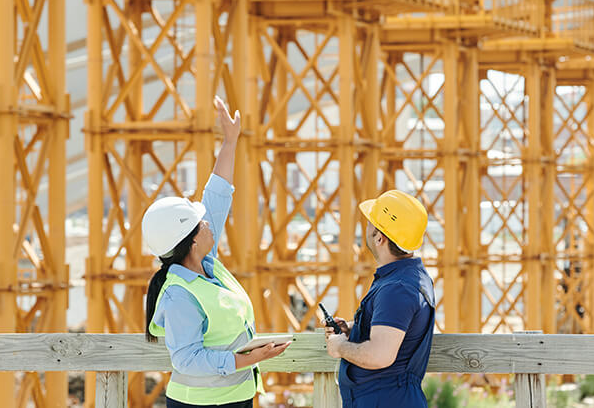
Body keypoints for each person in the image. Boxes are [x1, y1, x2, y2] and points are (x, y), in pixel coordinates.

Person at [143, 96, 289, 408]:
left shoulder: (208, 265)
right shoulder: (179, 294)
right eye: (201, 221)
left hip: (235, 397)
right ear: (192, 240)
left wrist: (230, 141)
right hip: (200, 403)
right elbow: (186, 359)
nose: (209, 221)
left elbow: (218, 194)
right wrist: (242, 360)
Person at [324, 190, 435, 407]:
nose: (366, 228)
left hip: (384, 399)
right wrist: (353, 328)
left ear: (379, 237)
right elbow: (398, 326)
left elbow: (380, 355)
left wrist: (340, 347)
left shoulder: (397, 288)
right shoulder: (408, 277)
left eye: (370, 223)